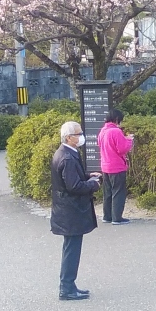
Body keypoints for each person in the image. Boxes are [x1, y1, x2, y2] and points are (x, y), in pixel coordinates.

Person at [51, 121, 101, 301]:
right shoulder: (67, 157)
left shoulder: (66, 153)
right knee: (71, 250)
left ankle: (69, 286)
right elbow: (73, 186)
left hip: (67, 209)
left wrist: (88, 176)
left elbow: (71, 180)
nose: (81, 137)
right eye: (78, 134)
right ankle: (66, 288)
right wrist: (93, 185)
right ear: (68, 138)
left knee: (70, 248)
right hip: (70, 210)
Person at [99, 108, 134, 225]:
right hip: (116, 166)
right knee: (118, 192)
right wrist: (129, 140)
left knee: (108, 193)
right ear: (117, 119)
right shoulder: (116, 131)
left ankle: (107, 216)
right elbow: (122, 149)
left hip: (105, 166)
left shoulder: (103, 131)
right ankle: (117, 218)